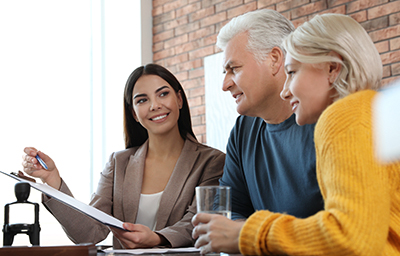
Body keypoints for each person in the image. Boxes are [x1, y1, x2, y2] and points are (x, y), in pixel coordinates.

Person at [193, 13, 400, 255]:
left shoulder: (342, 117)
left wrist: (248, 235)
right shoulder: (367, 112)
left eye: (291, 72)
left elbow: (351, 236)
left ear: (333, 69)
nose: (285, 91)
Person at [21, 64, 225, 249]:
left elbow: (199, 222)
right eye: (142, 100)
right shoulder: (119, 163)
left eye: (163, 94)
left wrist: (156, 238)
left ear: (179, 99)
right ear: (134, 113)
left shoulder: (212, 162)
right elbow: (90, 232)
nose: (154, 105)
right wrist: (52, 181)